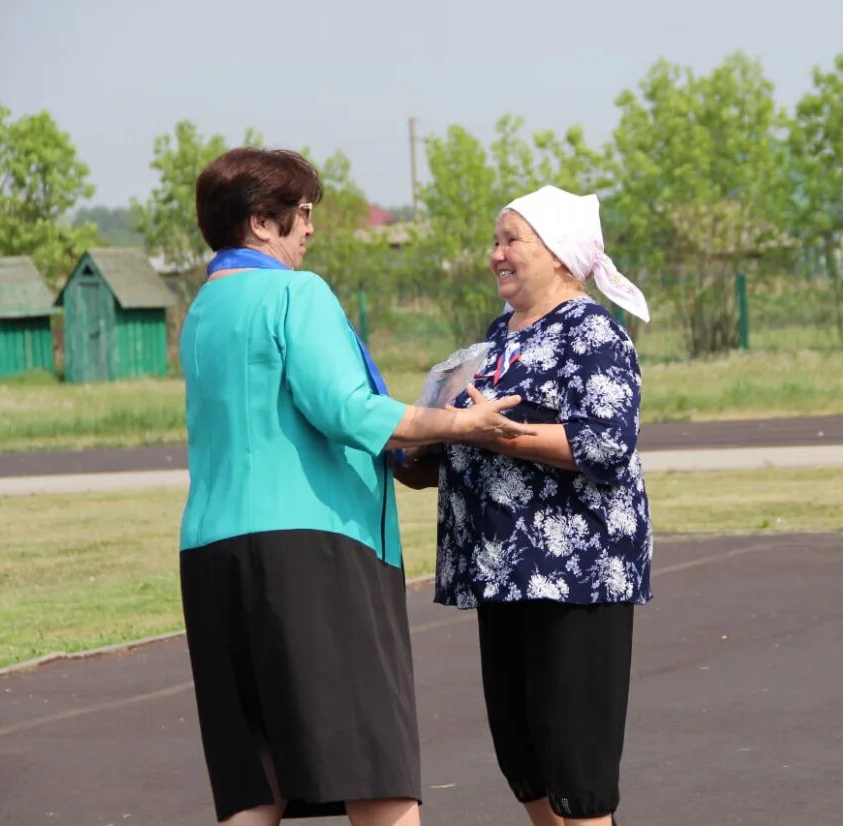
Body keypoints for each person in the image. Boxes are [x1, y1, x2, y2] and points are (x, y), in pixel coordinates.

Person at [179, 146, 533, 826]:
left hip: (212, 553)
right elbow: (343, 408)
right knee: (377, 763)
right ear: (261, 222)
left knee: (257, 778)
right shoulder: (295, 292)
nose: (310, 229)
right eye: (302, 214)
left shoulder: (205, 308)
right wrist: (461, 423)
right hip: (310, 551)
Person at [397, 185, 653, 826]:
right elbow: (471, 437)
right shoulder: (496, 338)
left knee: (579, 772)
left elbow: (605, 443)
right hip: (501, 574)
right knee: (527, 763)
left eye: (513, 240)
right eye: (496, 241)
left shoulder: (593, 334)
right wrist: (429, 446)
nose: (496, 254)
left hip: (576, 580)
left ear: (561, 256)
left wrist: (493, 432)